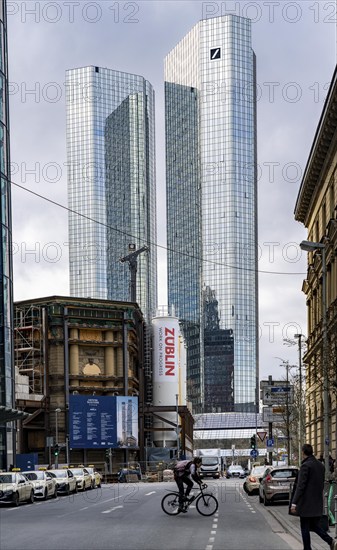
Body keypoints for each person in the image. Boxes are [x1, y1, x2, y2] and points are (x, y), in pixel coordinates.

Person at [290, 443, 337, 550]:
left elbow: (301, 486)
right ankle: (331, 541)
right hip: (317, 502)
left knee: (305, 527)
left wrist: (294, 502)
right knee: (314, 526)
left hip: (306, 504)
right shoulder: (320, 465)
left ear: (303, 452)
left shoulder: (305, 466)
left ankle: (307, 548)